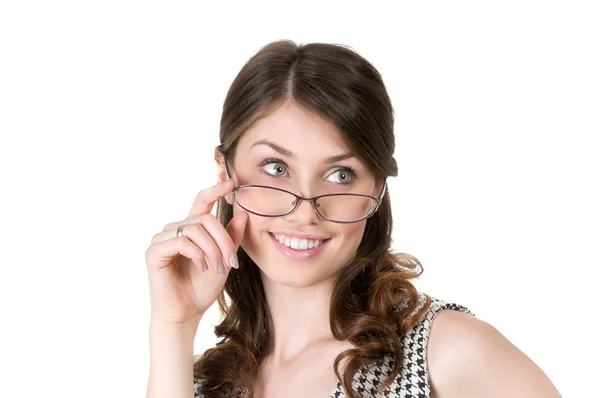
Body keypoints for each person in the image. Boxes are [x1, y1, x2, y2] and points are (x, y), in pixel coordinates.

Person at [145, 40, 561, 398]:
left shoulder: (446, 352)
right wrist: (174, 327)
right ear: (225, 174)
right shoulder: (205, 382)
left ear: (377, 188)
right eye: (275, 167)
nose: (305, 209)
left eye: (340, 175)